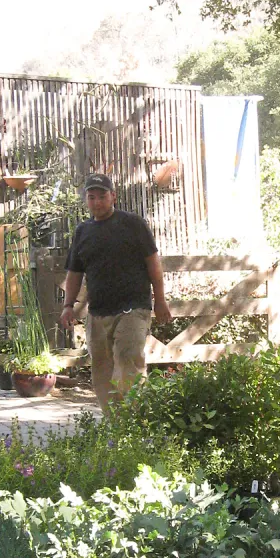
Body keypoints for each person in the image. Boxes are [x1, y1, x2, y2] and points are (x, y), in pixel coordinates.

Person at [60, 173, 172, 409]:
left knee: (127, 357)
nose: (97, 202)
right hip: (98, 312)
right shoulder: (83, 232)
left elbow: (153, 263)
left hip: (133, 308)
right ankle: (116, 430)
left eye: (102, 196)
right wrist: (68, 306)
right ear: (86, 200)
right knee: (102, 370)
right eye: (92, 197)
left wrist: (160, 300)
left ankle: (134, 422)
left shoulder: (133, 225)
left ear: (113, 196)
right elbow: (74, 273)